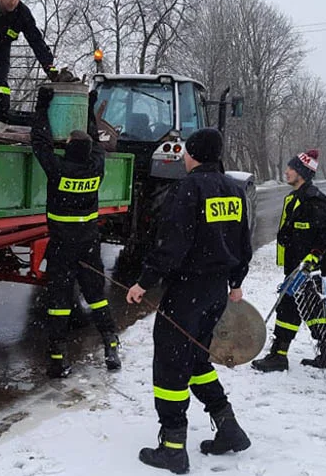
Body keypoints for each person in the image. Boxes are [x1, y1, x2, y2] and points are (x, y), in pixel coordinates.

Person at [126, 128, 253, 474]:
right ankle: (228, 428)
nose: (182, 157)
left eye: (185, 152)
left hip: (187, 291)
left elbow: (172, 246)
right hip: (214, 293)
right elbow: (244, 241)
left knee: (170, 363)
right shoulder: (233, 188)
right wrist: (236, 281)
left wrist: (143, 282)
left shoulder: (188, 189)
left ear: (193, 154)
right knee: (196, 357)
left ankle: (171, 447)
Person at [31, 86, 120, 379]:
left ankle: (58, 358)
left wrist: (42, 106)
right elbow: (95, 142)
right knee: (96, 296)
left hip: (61, 246)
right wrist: (91, 113)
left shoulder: (58, 171)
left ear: (68, 148)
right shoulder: (95, 169)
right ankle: (111, 345)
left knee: (58, 302)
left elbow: (40, 143)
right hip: (88, 245)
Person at [251, 149, 326, 373]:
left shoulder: (314, 199)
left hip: (306, 269)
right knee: (308, 310)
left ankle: (279, 355)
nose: (286, 172)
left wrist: (314, 255)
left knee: (290, 308)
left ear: (302, 173)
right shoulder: (295, 198)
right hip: (296, 268)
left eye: (291, 169)